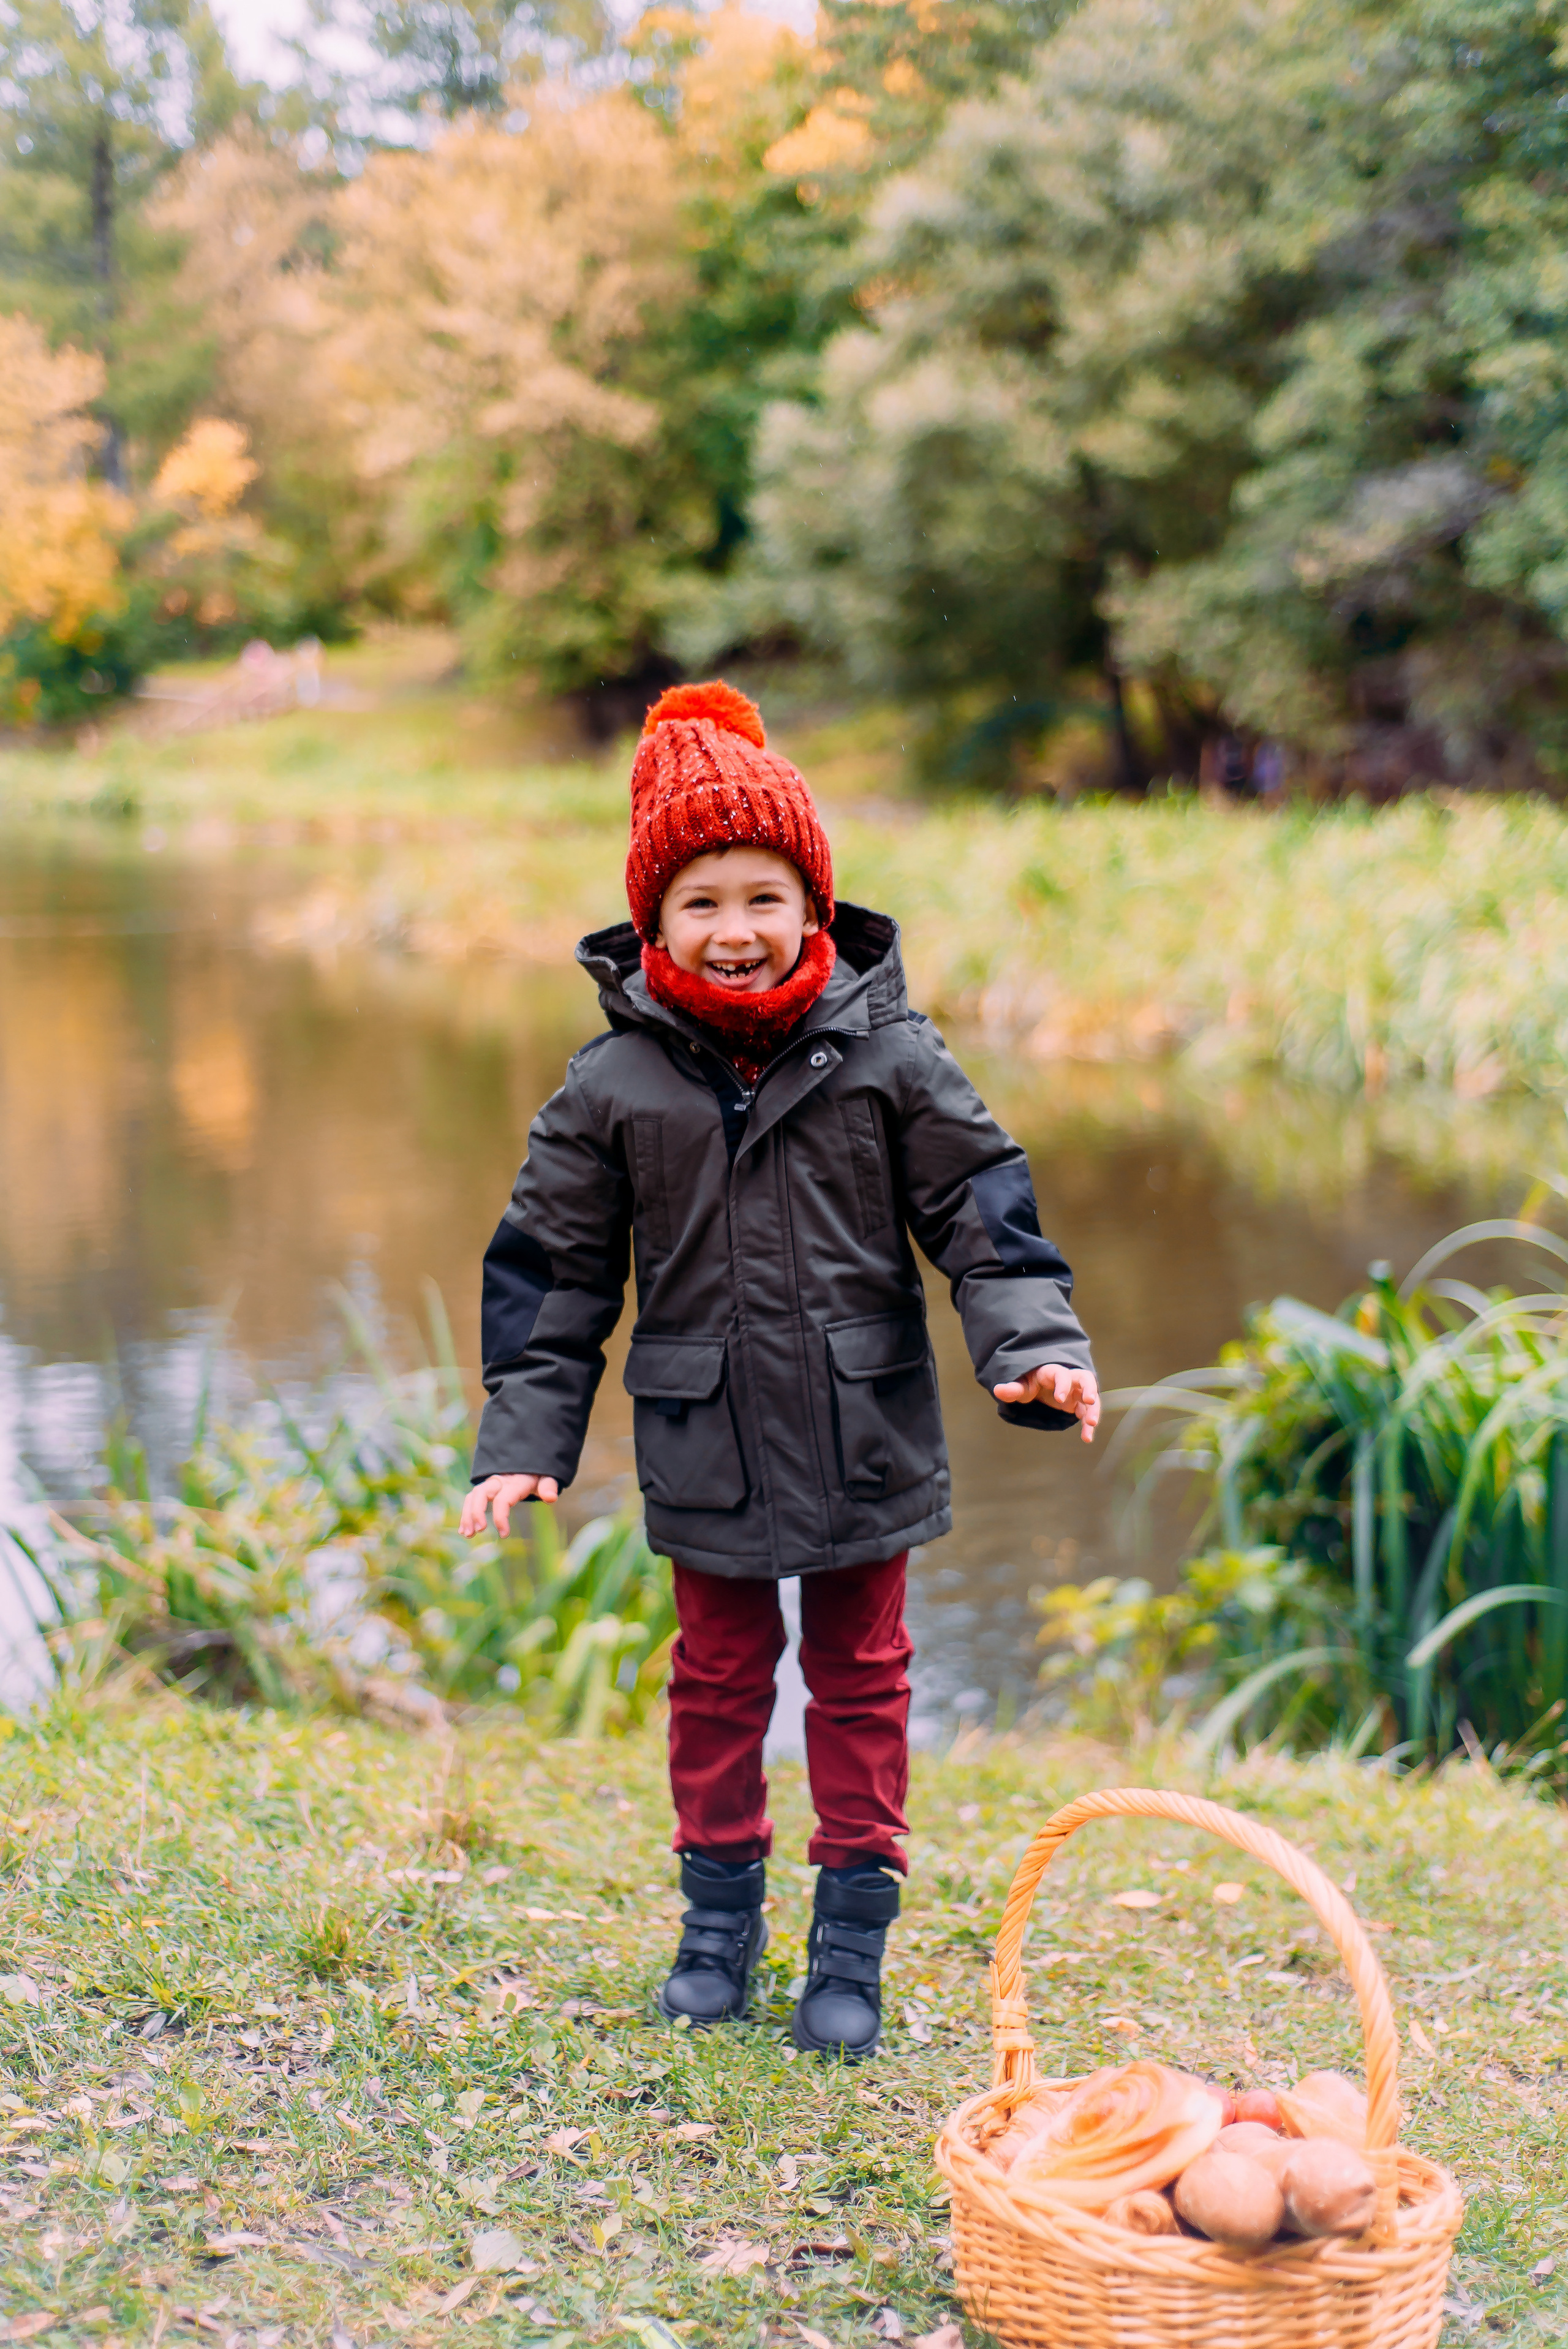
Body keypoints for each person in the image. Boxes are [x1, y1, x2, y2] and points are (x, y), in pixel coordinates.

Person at [459, 681, 1098, 2059]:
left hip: (866, 1423)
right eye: (700, 902)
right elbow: (554, 1272)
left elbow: (984, 1219)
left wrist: (1032, 1351)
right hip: (706, 1435)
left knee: (862, 1678)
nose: (734, 931)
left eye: (761, 896)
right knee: (717, 1678)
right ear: (652, 922)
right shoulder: (610, 1087)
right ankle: (717, 1928)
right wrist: (527, 1432)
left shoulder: (890, 1060)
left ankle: (850, 1943)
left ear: (813, 903)